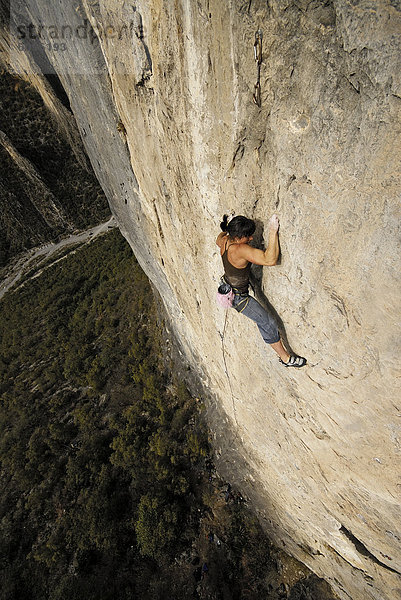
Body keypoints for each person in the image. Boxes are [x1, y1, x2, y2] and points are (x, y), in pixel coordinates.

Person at [216, 213, 306, 367]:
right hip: (239, 298)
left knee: (265, 321)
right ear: (238, 238)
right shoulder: (239, 249)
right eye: (247, 236)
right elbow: (270, 259)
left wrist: (228, 225)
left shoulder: (224, 240)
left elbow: (219, 236)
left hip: (228, 285)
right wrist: (273, 232)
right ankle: (286, 359)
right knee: (267, 322)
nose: (251, 239)